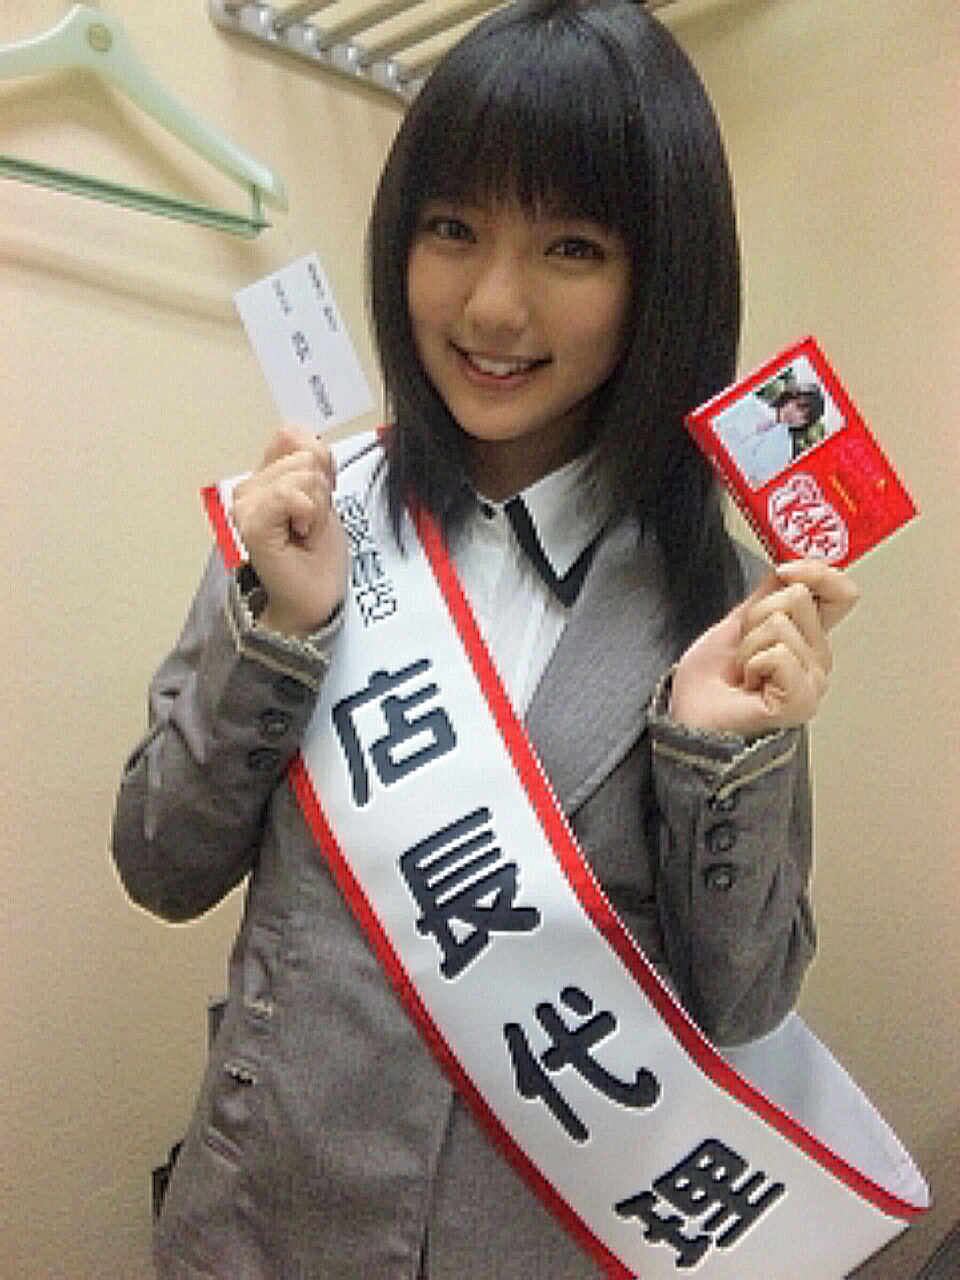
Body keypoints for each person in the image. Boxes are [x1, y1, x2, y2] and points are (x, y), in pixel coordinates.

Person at [112, 2, 859, 1276]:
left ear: (661, 279)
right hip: (255, 1224)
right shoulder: (316, 518)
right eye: (453, 228)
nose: (494, 305)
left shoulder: (727, 608)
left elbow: (743, 1004)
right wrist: (280, 629)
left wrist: (716, 756)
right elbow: (159, 861)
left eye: (572, 247)